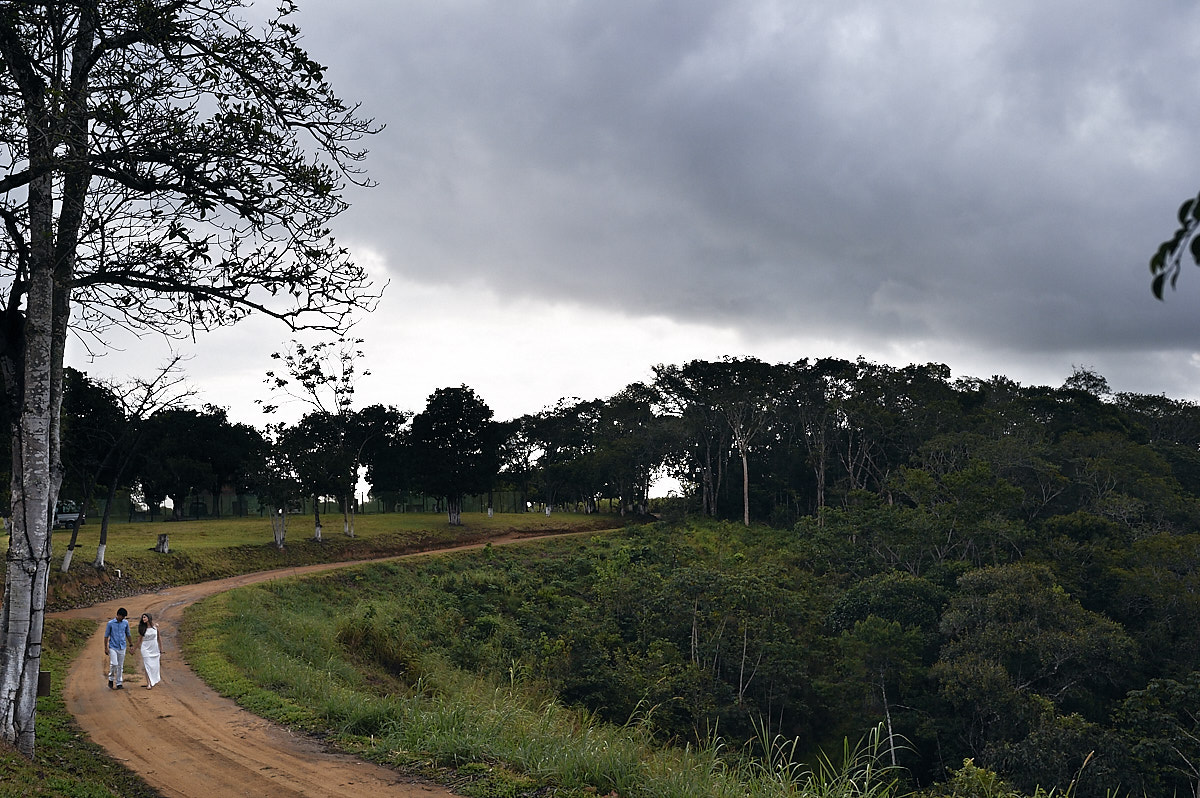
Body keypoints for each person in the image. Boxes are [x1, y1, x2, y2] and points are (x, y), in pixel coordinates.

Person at [103, 608, 130, 689]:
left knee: (120, 666)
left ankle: (119, 683)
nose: (123, 618)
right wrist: (106, 648)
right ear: (118, 615)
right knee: (114, 664)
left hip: (122, 646)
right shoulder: (110, 623)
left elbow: (128, 633)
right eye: (122, 616)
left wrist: (131, 644)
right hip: (113, 646)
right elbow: (106, 636)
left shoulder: (125, 623)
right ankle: (111, 679)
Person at [138, 613, 162, 689]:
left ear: (149, 618)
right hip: (145, 648)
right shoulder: (143, 628)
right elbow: (139, 640)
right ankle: (148, 683)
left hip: (154, 648)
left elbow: (158, 638)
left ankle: (153, 680)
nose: (143, 619)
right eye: (142, 618)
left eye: (145, 617)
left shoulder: (155, 627)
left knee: (155, 665)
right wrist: (134, 648)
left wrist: (161, 648)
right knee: (147, 664)